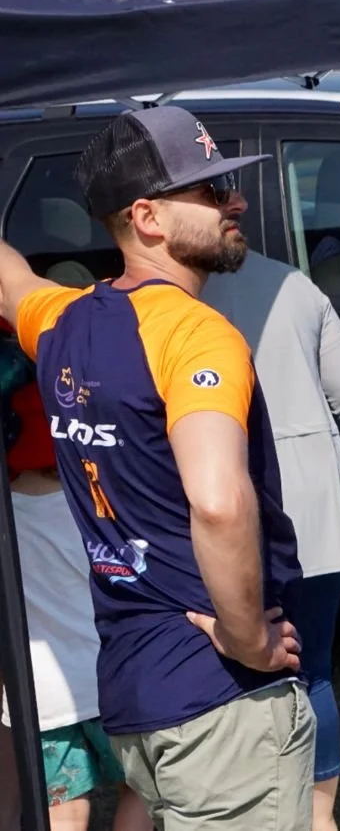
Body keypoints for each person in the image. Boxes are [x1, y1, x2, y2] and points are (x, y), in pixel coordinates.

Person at [0, 105, 311, 829]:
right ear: (147, 217)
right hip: (219, 700)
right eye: (209, 192)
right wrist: (246, 638)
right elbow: (218, 503)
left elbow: (11, 281)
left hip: (136, 689)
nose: (234, 201)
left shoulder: (65, 319)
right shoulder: (198, 334)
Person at [201, 250, 340, 831]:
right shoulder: (294, 285)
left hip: (214, 504)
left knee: (228, 674)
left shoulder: (168, 291)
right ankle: (320, 816)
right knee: (315, 669)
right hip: (314, 509)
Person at [0, 331, 150, 831]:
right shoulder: (92, 508)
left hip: (38, 695)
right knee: (144, 791)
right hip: (112, 683)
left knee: (63, 805)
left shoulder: (7, 518)